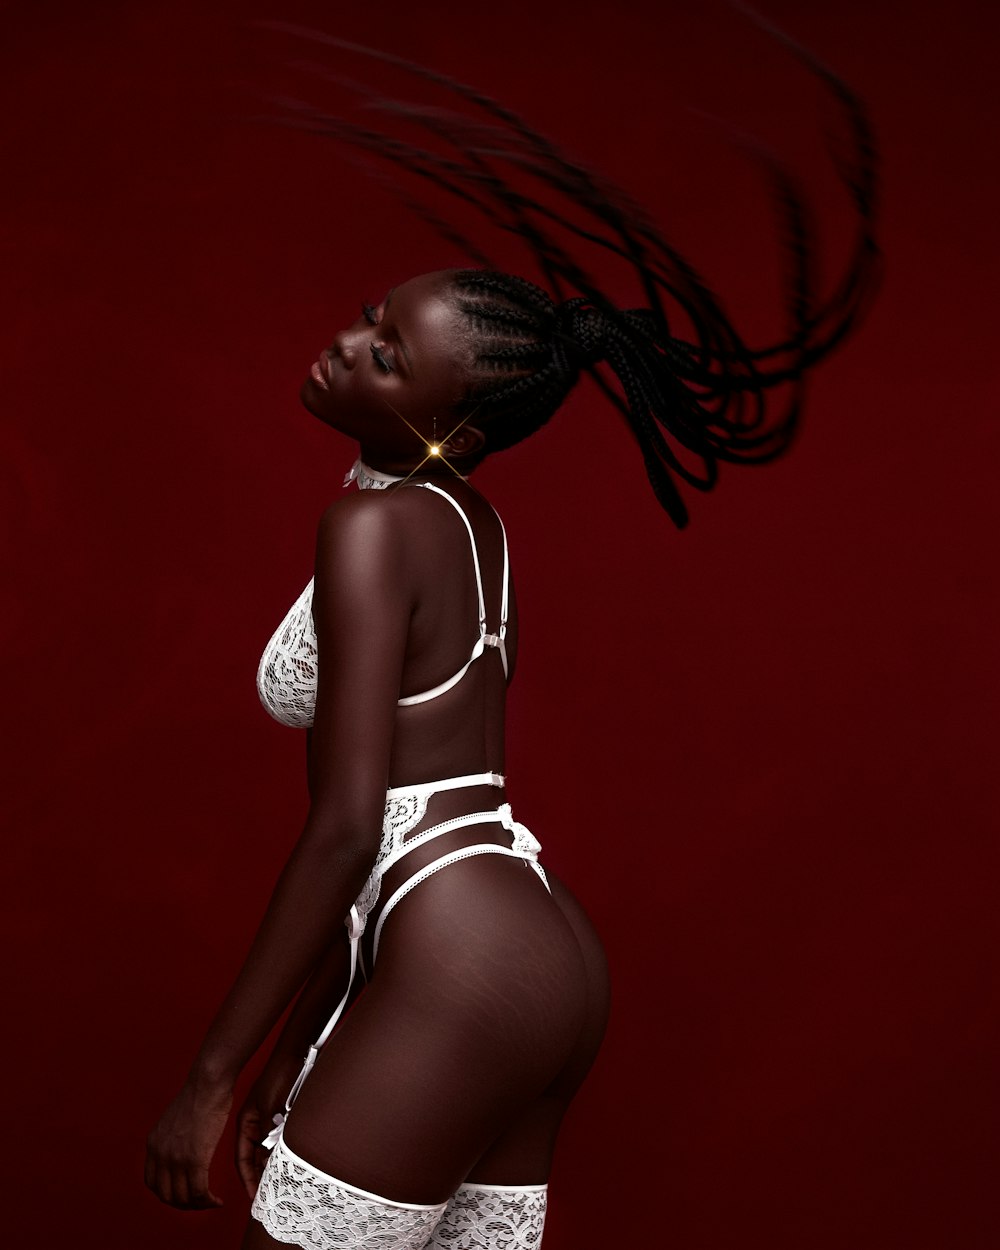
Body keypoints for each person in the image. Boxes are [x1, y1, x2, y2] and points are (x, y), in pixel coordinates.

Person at [145, 29, 879, 1250]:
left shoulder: (367, 530)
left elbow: (347, 822)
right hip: (531, 950)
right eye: (370, 318)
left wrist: (213, 1076)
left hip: (456, 951)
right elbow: (405, 818)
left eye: (389, 358)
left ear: (451, 425)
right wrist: (314, 1036)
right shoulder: (470, 528)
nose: (349, 345)